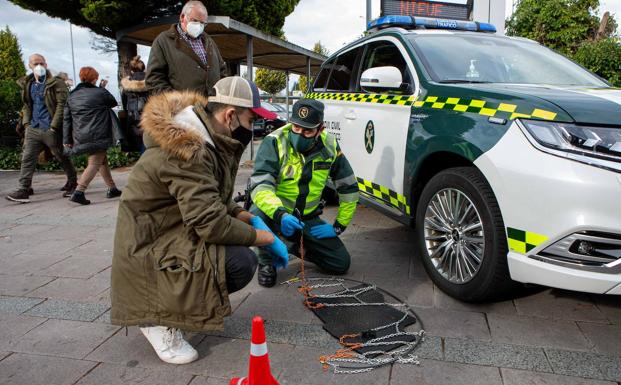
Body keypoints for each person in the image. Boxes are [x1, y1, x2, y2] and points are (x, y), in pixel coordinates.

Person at [110, 76, 287, 365]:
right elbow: (210, 223)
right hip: (150, 247)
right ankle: (158, 317)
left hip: (170, 229)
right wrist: (267, 239)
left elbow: (213, 197)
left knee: (237, 254)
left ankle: (178, 304)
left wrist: (247, 218)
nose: (253, 127)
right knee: (238, 263)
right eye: (251, 118)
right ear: (230, 115)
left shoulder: (201, 136)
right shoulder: (187, 151)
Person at [250, 99, 360, 287]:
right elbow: (261, 186)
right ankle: (266, 261)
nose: (300, 134)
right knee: (257, 212)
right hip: (276, 215)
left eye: (308, 131)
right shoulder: (274, 142)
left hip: (306, 219)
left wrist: (339, 226)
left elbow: (348, 187)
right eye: (296, 128)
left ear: (321, 129)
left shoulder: (330, 146)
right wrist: (280, 214)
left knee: (340, 263)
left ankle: (291, 244)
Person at [6, 54, 77, 203]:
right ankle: (23, 189)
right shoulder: (27, 83)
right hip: (33, 127)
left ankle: (72, 181)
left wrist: (54, 126)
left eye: (41, 63)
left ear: (46, 64)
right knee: (27, 157)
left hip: (50, 128)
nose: (39, 66)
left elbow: (62, 105)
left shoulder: (56, 83)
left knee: (61, 155)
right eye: (35, 63)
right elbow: (26, 105)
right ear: (29, 66)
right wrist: (26, 124)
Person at [62, 66, 123, 205]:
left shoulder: (72, 96)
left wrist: (66, 140)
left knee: (102, 160)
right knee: (95, 162)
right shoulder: (99, 93)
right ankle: (79, 191)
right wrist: (102, 88)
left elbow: (66, 119)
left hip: (80, 135)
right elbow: (113, 102)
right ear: (94, 79)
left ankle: (112, 188)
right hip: (98, 133)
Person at [146, 0, 226, 95]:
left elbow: (222, 70)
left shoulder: (209, 41)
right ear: (182, 17)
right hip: (182, 108)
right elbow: (154, 80)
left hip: (213, 106)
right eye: (195, 21)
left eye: (203, 23)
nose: (199, 26)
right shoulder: (163, 41)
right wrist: (177, 101)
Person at [121, 55, 148, 152]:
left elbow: (124, 103)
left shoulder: (126, 84)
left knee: (139, 142)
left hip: (133, 117)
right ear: (144, 69)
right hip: (149, 115)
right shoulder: (151, 81)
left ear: (132, 70)